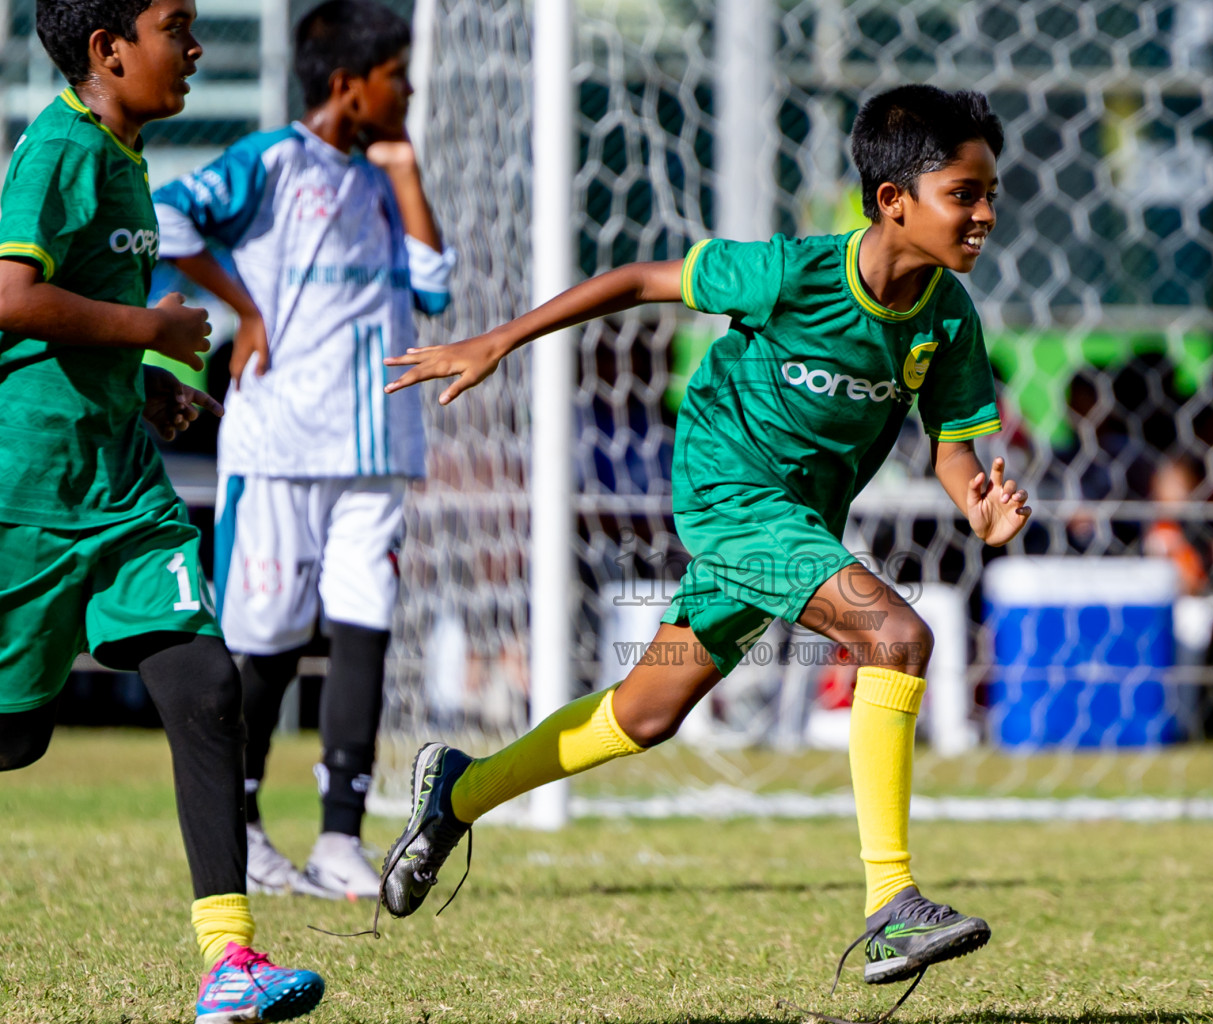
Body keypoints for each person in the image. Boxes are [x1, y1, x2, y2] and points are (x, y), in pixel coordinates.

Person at [377, 85, 1029, 996]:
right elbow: (642, 280)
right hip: (729, 497)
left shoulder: (949, 318)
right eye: (965, 193)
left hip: (795, 525)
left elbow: (956, 448)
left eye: (991, 191)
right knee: (899, 637)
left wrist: (979, 508)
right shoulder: (792, 273)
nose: (986, 212)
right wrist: (501, 340)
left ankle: (457, 792)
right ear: (894, 201)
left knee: (644, 715)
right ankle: (891, 907)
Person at [0, 0, 324, 1019]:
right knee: (15, 740)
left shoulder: (127, 157)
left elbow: (73, 328)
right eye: (175, 27)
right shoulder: (59, 152)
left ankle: (229, 964)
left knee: (203, 681)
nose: (194, 49)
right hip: (33, 490)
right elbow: (11, 297)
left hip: (124, 485)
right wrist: (149, 327)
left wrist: (142, 383)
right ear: (109, 50)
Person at [152, 0, 454, 901]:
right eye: (397, 76)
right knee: (264, 640)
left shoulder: (378, 177)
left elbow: (436, 286)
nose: (408, 90)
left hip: (376, 443)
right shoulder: (272, 163)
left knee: (364, 624)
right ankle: (240, 826)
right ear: (346, 83)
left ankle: (338, 838)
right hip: (280, 441)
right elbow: (170, 216)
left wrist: (405, 170)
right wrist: (246, 309)